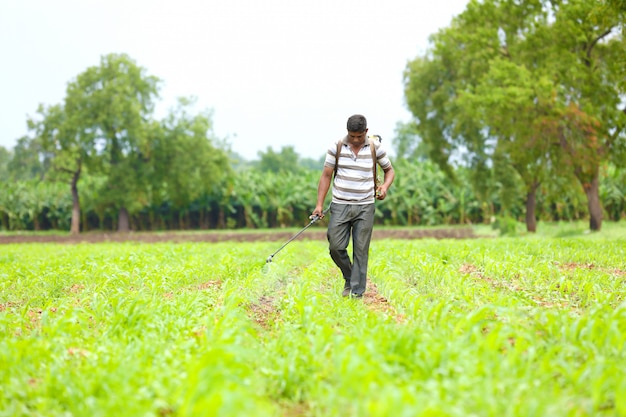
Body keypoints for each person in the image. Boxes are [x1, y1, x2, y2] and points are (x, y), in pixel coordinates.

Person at [311, 114, 395, 298]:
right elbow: (326, 175)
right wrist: (319, 205)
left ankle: (357, 292)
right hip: (340, 205)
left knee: (361, 250)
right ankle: (349, 277)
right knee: (335, 246)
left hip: (365, 206)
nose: (356, 140)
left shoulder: (375, 147)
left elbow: (389, 170)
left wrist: (385, 187)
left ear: (366, 132)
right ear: (347, 132)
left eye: (359, 136)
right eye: (352, 136)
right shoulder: (337, 147)